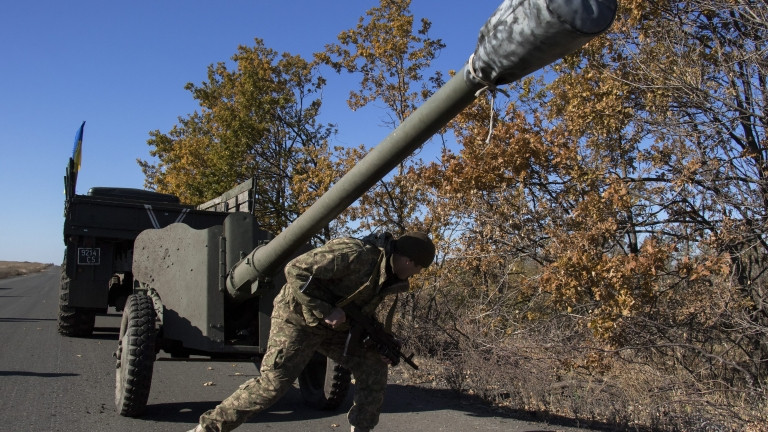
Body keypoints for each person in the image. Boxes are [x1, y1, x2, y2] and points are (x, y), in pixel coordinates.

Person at [187, 231, 436, 432]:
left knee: (373, 365)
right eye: (419, 268)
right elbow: (295, 269)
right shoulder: (356, 255)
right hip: (296, 318)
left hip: (334, 327)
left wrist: (381, 343)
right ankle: (207, 428)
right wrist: (325, 310)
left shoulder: (390, 277)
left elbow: (361, 310)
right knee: (273, 385)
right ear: (409, 261)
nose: (417, 274)